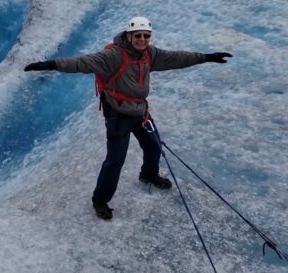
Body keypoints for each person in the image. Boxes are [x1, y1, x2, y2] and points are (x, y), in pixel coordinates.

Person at [24, 16, 232, 220]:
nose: (142, 39)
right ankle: (100, 200)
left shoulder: (150, 54)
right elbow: (82, 63)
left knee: (154, 147)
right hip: (118, 115)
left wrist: (205, 57)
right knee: (115, 161)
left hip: (140, 111)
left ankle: (149, 175)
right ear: (129, 35)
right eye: (138, 35)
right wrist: (51, 64)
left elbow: (176, 58)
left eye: (146, 35)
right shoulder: (114, 56)